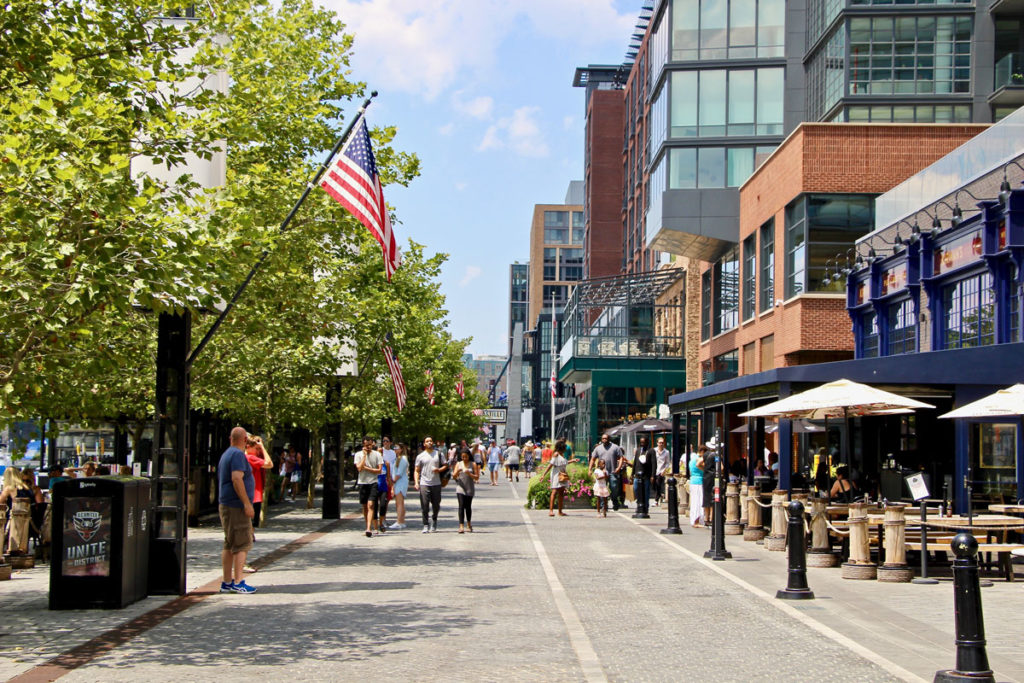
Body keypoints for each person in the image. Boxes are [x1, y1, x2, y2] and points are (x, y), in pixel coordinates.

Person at [218, 426, 257, 594]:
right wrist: (247, 503)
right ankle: (238, 581)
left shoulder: (227, 454)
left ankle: (227, 581)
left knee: (229, 543)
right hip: (236, 506)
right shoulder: (237, 455)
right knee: (242, 544)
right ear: (244, 441)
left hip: (227, 504)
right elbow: (236, 479)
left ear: (230, 438)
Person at [414, 436, 447, 533]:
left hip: (436, 483)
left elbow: (445, 465)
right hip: (424, 483)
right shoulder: (420, 456)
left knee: (436, 505)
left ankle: (434, 520)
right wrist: (416, 482)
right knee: (424, 504)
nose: (429, 442)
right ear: (424, 444)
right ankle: (425, 524)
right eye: (427, 441)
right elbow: (416, 470)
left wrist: (439, 470)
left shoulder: (439, 454)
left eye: (430, 441)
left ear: (433, 442)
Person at [355, 436, 383, 538]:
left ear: (373, 444)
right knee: (364, 506)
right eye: (366, 445)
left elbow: (379, 470)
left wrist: (366, 468)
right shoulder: (358, 454)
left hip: (373, 482)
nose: (368, 447)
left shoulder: (377, 454)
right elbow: (358, 468)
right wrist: (364, 456)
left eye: (370, 445)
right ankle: (368, 525)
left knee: (371, 504)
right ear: (363, 445)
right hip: (362, 482)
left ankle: (368, 528)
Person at [589, 433, 625, 511]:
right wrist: (590, 469)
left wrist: (618, 467)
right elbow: (593, 459)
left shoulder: (615, 447)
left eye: (606, 438)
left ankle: (615, 501)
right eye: (603, 438)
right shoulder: (598, 448)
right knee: (602, 488)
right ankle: (603, 506)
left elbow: (621, 457)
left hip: (612, 471)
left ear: (609, 439)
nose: (604, 440)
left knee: (614, 488)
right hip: (602, 472)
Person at [243, 434, 273, 527]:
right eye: (257, 448)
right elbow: (269, 463)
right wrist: (263, 447)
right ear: (248, 447)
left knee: (250, 524)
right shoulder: (250, 458)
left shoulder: (246, 457)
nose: (258, 451)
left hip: (252, 493)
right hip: (254, 494)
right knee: (251, 523)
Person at [453, 447, 479, 533]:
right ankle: (461, 526)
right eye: (462, 457)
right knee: (461, 506)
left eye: (466, 457)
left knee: (468, 506)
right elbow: (454, 476)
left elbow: (477, 477)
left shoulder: (473, 464)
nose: (464, 458)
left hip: (469, 487)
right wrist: (457, 472)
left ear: (469, 456)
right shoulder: (458, 464)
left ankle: (469, 524)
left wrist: (469, 473)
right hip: (460, 487)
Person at [540, 441, 569, 517]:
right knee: (554, 491)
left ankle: (560, 511)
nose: (566, 449)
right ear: (561, 448)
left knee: (561, 492)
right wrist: (543, 475)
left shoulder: (562, 455)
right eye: (564, 448)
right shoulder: (556, 454)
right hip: (556, 474)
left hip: (562, 475)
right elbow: (550, 465)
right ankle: (551, 511)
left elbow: (564, 463)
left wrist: (572, 461)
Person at [631, 437, 655, 519]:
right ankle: (639, 505)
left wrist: (652, 475)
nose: (642, 444)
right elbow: (635, 463)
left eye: (643, 442)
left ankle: (645, 507)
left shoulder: (651, 451)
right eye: (641, 442)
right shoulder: (638, 450)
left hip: (646, 475)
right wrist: (632, 473)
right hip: (637, 474)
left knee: (646, 492)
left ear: (647, 442)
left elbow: (654, 463)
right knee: (636, 489)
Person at [388, 443, 410, 530]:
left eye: (396, 447)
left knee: (399, 503)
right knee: (399, 502)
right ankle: (402, 520)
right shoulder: (397, 459)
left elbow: (399, 473)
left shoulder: (403, 459)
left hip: (400, 482)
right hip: (398, 482)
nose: (395, 449)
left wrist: (393, 481)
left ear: (401, 449)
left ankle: (399, 521)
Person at [379, 436, 397, 529]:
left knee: (386, 500)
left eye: (387, 441)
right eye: (384, 441)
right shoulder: (379, 451)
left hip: (388, 477)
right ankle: (378, 520)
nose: (385, 442)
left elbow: (393, 465)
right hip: (380, 477)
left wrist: (392, 478)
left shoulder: (393, 453)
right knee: (379, 500)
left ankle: (383, 518)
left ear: (390, 442)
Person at [689, 446, 705, 527]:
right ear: (702, 451)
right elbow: (700, 465)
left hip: (693, 480)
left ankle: (694, 520)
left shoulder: (692, 458)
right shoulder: (698, 459)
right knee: (698, 501)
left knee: (694, 501)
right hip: (699, 481)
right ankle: (696, 521)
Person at [653, 436, 671, 507]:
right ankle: (661, 495)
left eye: (662, 443)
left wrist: (664, 470)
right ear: (657, 443)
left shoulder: (666, 452)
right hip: (654, 470)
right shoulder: (654, 450)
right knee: (654, 485)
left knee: (658, 485)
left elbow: (667, 463)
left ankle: (656, 500)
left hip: (661, 471)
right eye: (660, 442)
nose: (661, 444)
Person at [702, 447, 716, 526]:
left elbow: (699, 463)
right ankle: (712, 518)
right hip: (713, 478)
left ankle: (706, 518)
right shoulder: (716, 455)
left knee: (706, 498)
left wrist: (705, 470)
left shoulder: (705, 455)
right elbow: (721, 467)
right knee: (713, 498)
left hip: (705, 477)